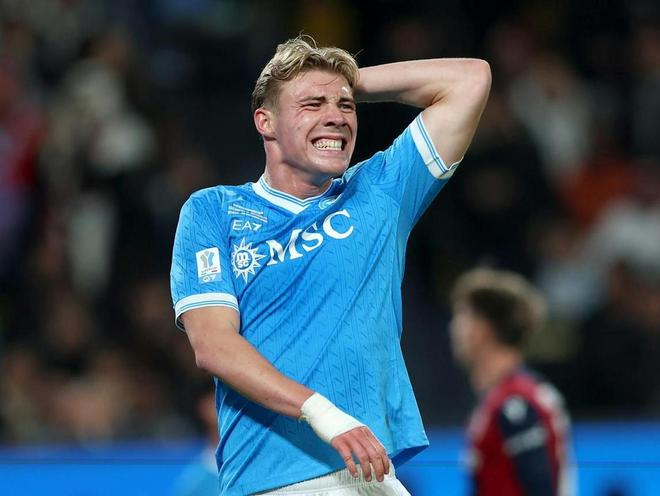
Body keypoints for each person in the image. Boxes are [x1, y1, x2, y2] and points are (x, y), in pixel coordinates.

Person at [170, 35, 491, 495]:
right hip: (276, 481)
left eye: (346, 106)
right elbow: (214, 345)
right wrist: (322, 413)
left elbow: (470, 79)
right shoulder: (213, 211)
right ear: (266, 121)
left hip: (371, 474)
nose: (337, 117)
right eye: (312, 104)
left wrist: (345, 82)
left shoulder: (380, 192)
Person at [449, 268, 574, 496]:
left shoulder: (516, 401)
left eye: (462, 316)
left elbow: (540, 487)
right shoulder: (504, 398)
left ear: (482, 329)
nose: (454, 328)